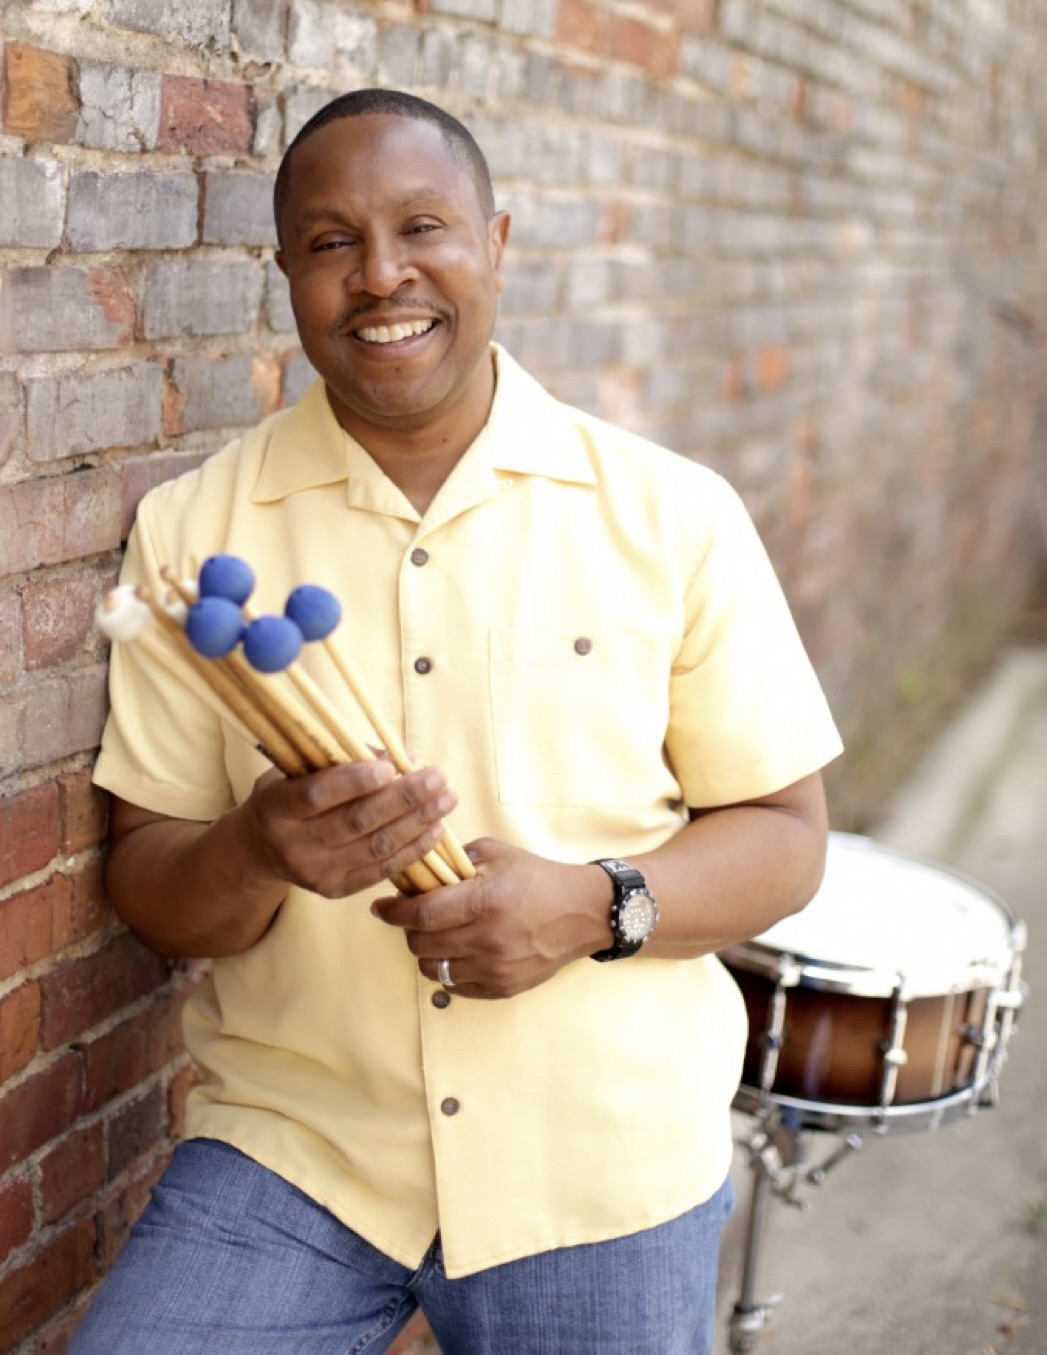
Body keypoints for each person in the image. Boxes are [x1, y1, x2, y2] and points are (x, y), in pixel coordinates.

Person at [71, 88, 842, 1355]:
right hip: (302, 1151)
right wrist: (258, 848)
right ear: (287, 276)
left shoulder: (671, 513)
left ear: (497, 241)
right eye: (331, 243)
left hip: (604, 1155)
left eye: (421, 227)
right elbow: (154, 891)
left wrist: (596, 905)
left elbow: (787, 836)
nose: (382, 277)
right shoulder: (194, 536)